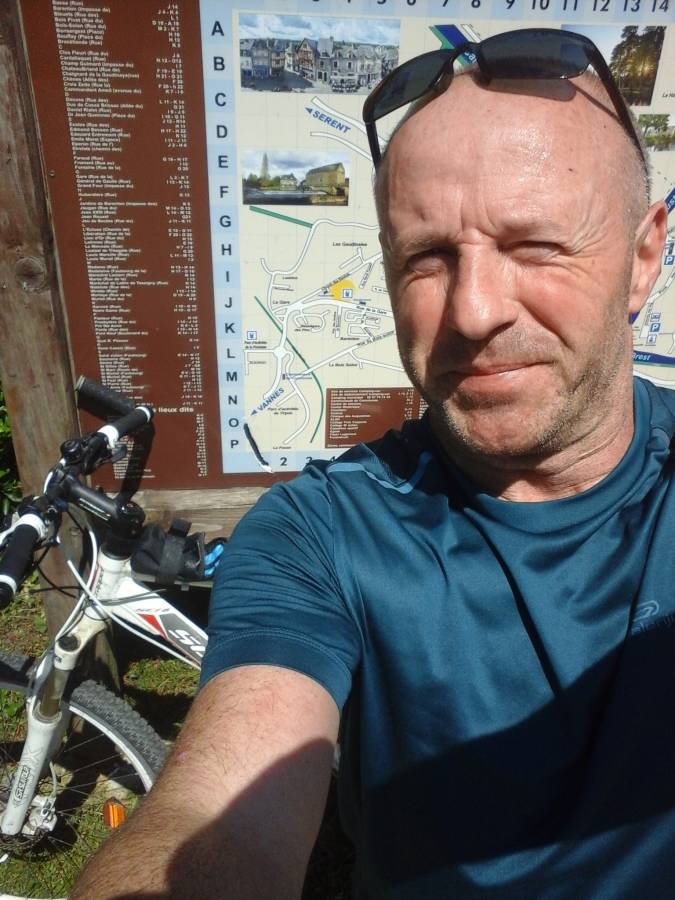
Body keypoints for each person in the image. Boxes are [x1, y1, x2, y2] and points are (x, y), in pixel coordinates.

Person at [71, 29, 670, 899]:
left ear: (642, 260)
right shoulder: (323, 533)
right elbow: (218, 814)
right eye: (426, 258)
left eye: (535, 245)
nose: (472, 311)